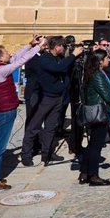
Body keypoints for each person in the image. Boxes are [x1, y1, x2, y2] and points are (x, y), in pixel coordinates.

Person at [0, 36, 45, 191]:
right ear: (0, 57)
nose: (9, 54)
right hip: (5, 112)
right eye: (5, 53)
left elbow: (16, 57)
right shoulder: (2, 70)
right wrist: (38, 48)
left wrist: (30, 45)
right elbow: (20, 62)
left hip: (0, 110)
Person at [21, 36, 79, 166]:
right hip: (44, 97)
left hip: (57, 97)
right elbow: (57, 69)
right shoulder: (45, 59)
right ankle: (26, 154)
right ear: (57, 46)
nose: (64, 49)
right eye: (62, 46)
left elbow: (64, 71)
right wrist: (73, 56)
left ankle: (46, 153)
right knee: (34, 126)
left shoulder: (58, 58)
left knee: (51, 127)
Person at [79, 49, 110, 186]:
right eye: (106, 58)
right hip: (99, 112)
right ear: (100, 61)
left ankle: (84, 172)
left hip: (96, 110)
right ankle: (94, 176)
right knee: (96, 145)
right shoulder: (97, 75)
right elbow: (105, 92)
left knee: (92, 144)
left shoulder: (95, 73)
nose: (108, 60)